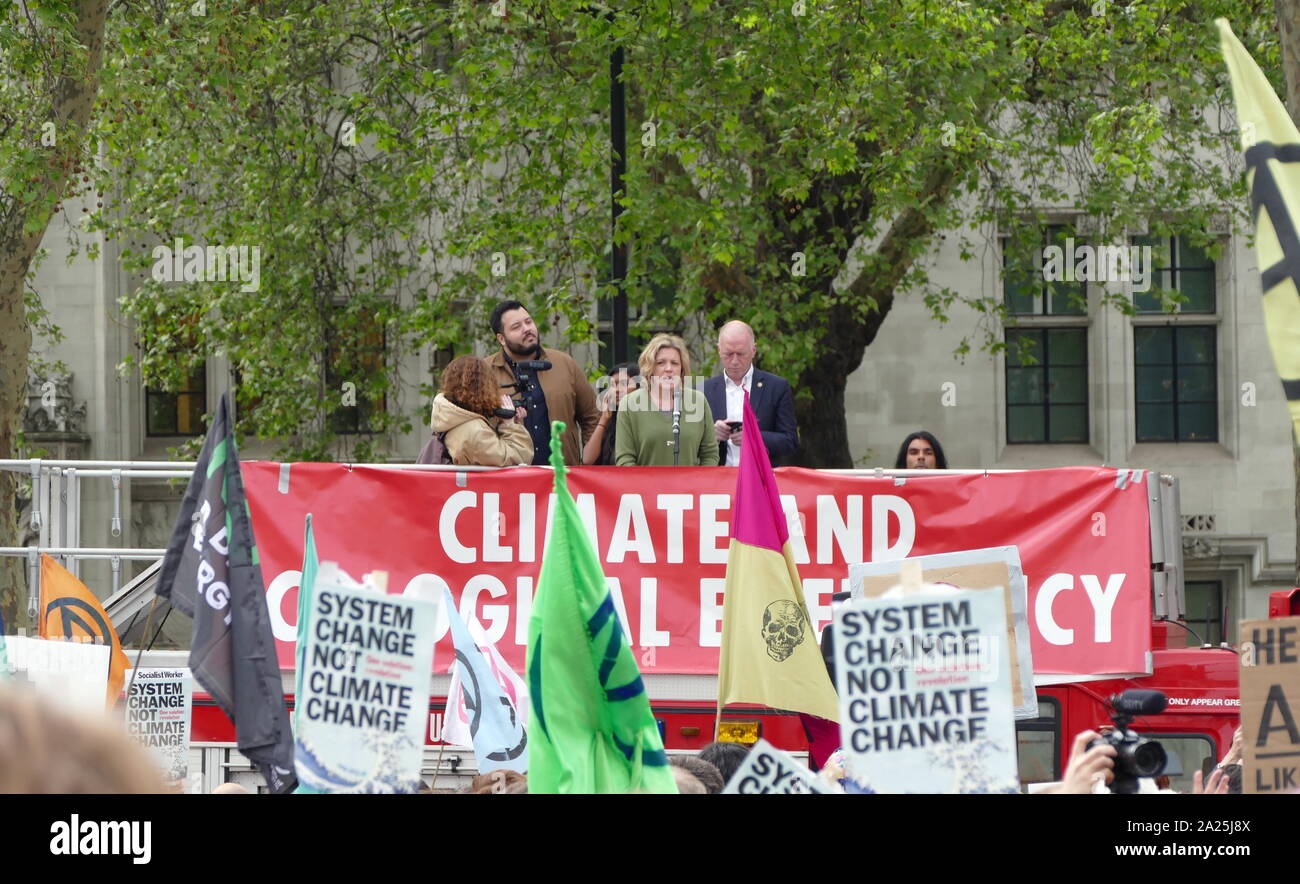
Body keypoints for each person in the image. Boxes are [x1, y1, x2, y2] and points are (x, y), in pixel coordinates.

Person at [486, 300, 599, 466]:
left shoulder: (564, 363)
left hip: (562, 478)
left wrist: (589, 465)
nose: (527, 329)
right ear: (501, 338)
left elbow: (592, 417)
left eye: (529, 321)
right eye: (516, 326)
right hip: (509, 479)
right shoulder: (485, 372)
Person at [703, 321, 799, 466]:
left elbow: (790, 441)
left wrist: (754, 437)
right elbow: (688, 445)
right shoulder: (701, 389)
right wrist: (712, 435)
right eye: (728, 354)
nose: (734, 361)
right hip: (718, 480)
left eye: (741, 354)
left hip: (760, 479)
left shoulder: (777, 387)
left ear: (753, 350)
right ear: (719, 350)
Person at [615, 334, 718, 466]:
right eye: (660, 363)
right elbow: (625, 460)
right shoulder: (629, 404)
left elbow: (710, 454)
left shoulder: (698, 401)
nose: (668, 369)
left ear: (681, 369)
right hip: (644, 486)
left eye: (674, 363)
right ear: (650, 368)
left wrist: (697, 484)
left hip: (692, 486)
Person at [431, 355, 534, 467]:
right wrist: (509, 425)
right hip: (479, 485)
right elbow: (518, 459)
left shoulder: (454, 418)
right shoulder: (475, 431)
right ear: (483, 387)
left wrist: (511, 423)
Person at [583, 362, 640, 465]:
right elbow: (587, 460)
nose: (617, 390)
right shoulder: (609, 420)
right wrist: (604, 420)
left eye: (624, 384)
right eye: (613, 385)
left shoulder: (646, 419)